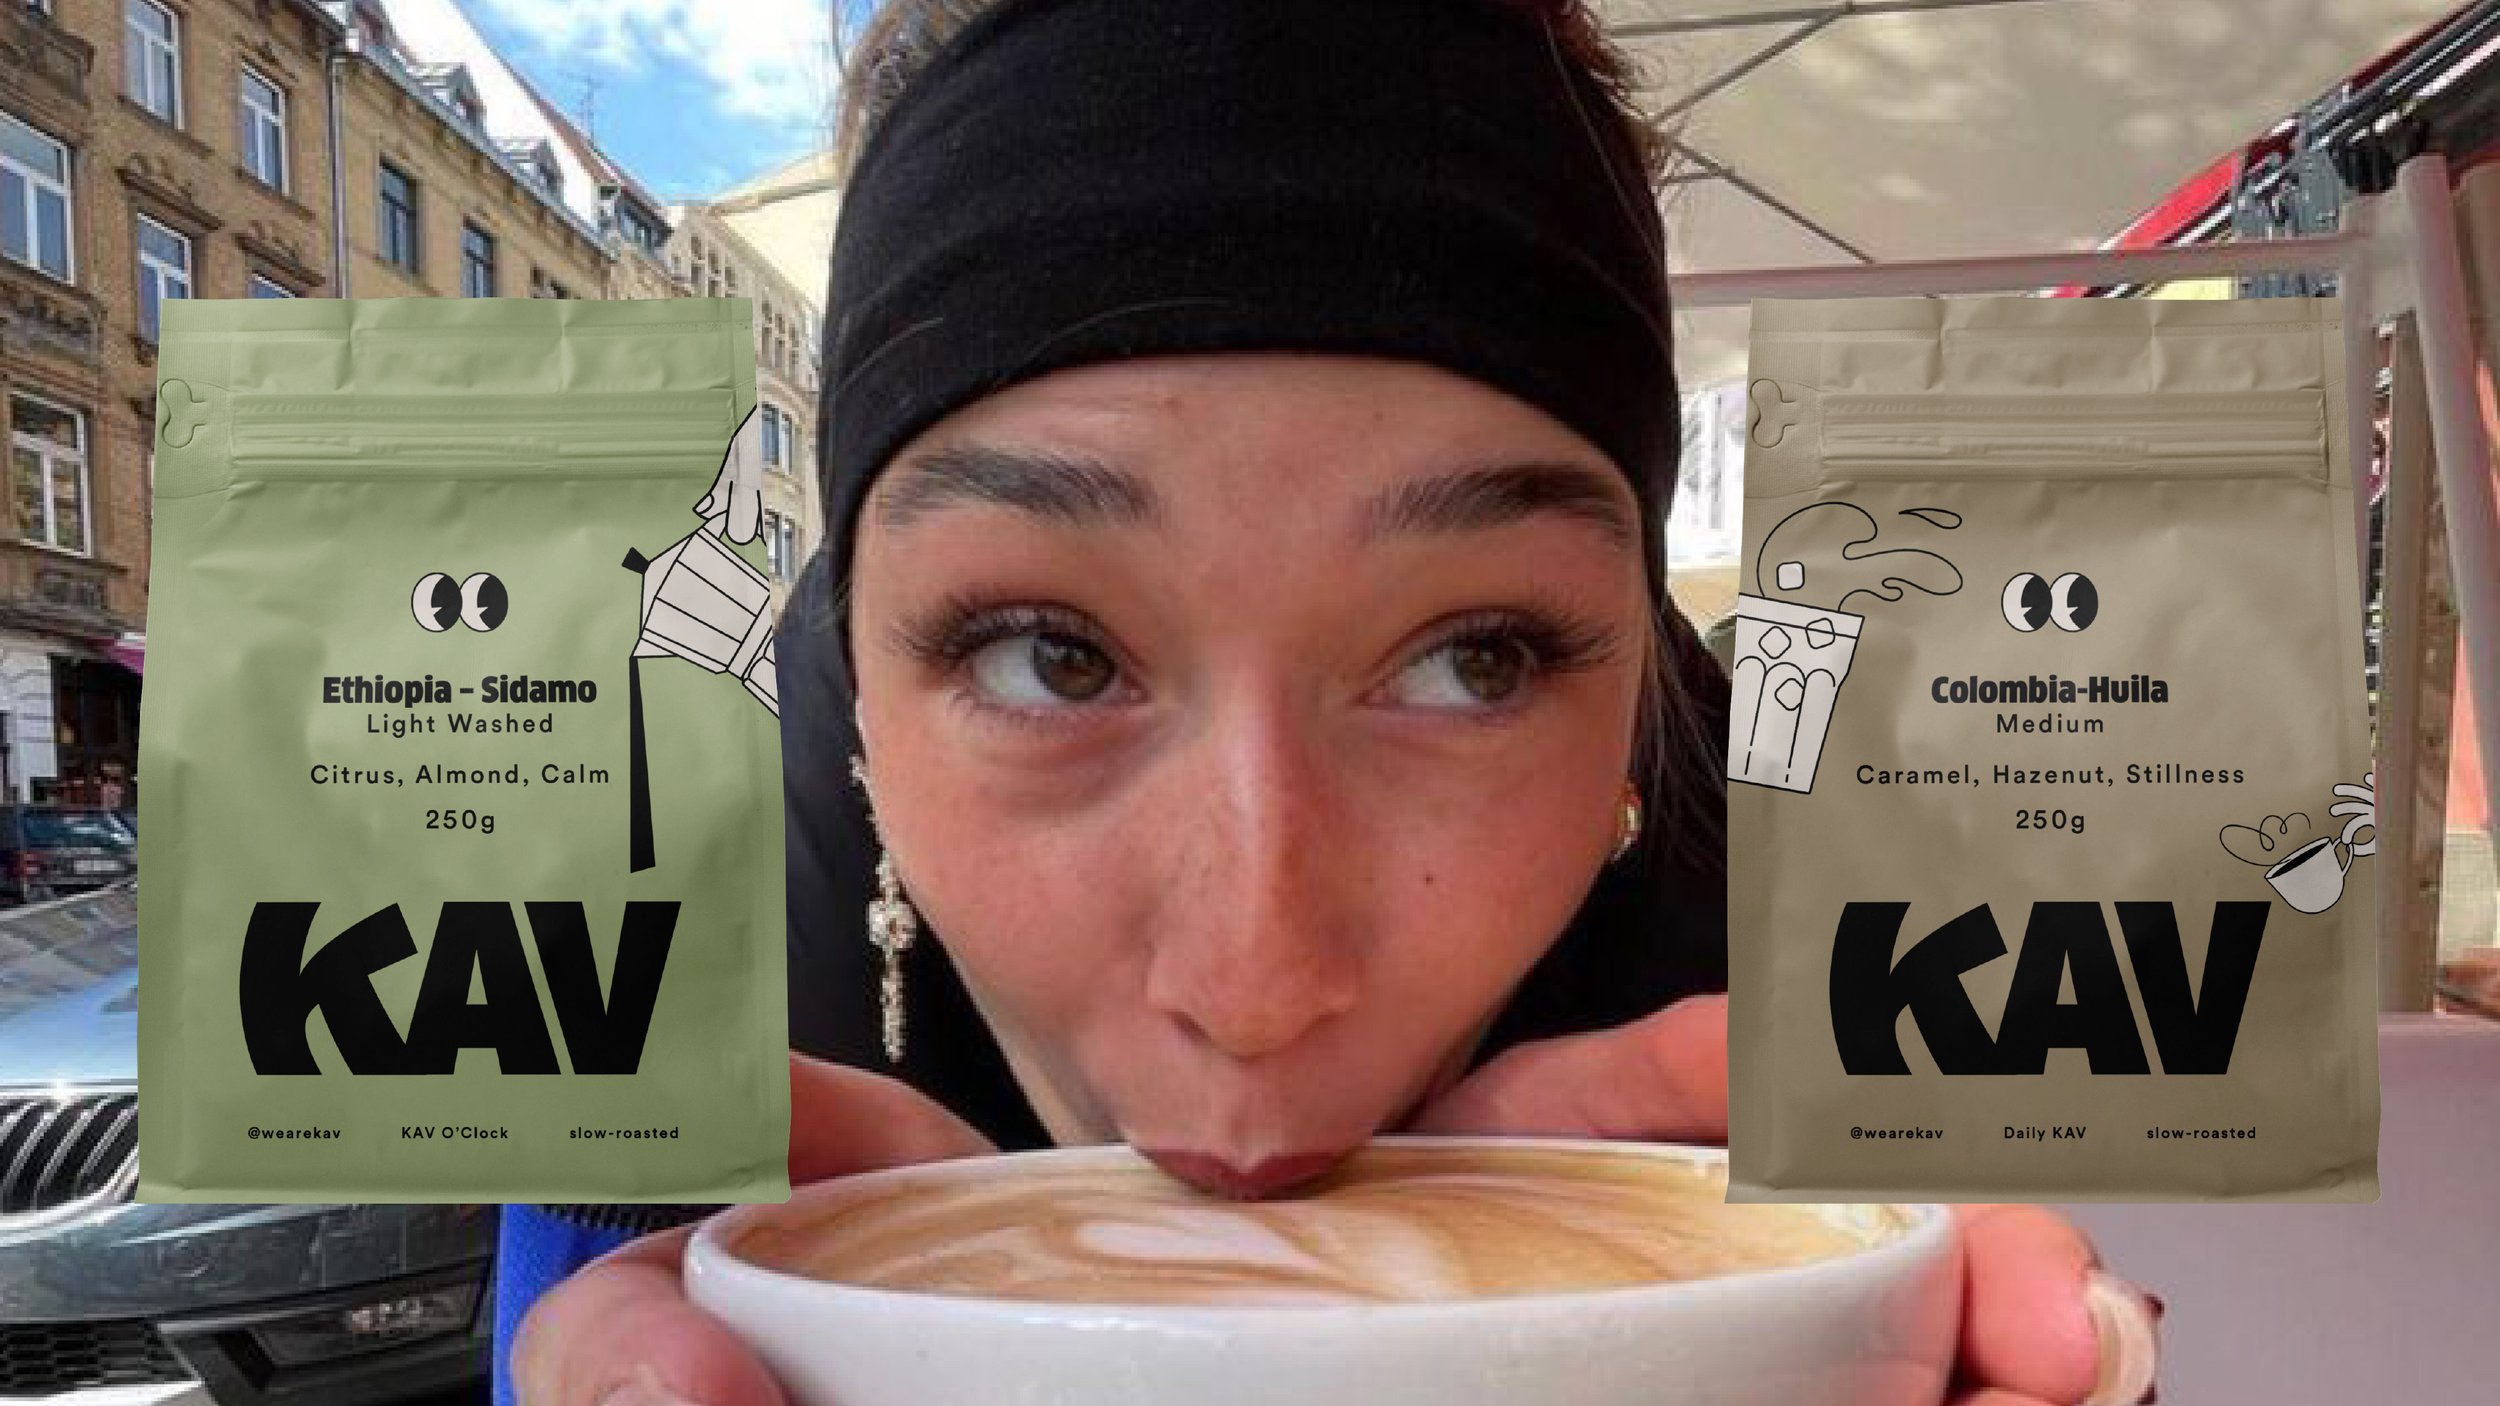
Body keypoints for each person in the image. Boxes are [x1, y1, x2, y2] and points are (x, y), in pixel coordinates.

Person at [505, 2, 2161, 1403]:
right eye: (1052, 654)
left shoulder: (1810, 1060)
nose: (1256, 982)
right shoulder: (640, 1014)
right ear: (857, 685)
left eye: (1478, 659)